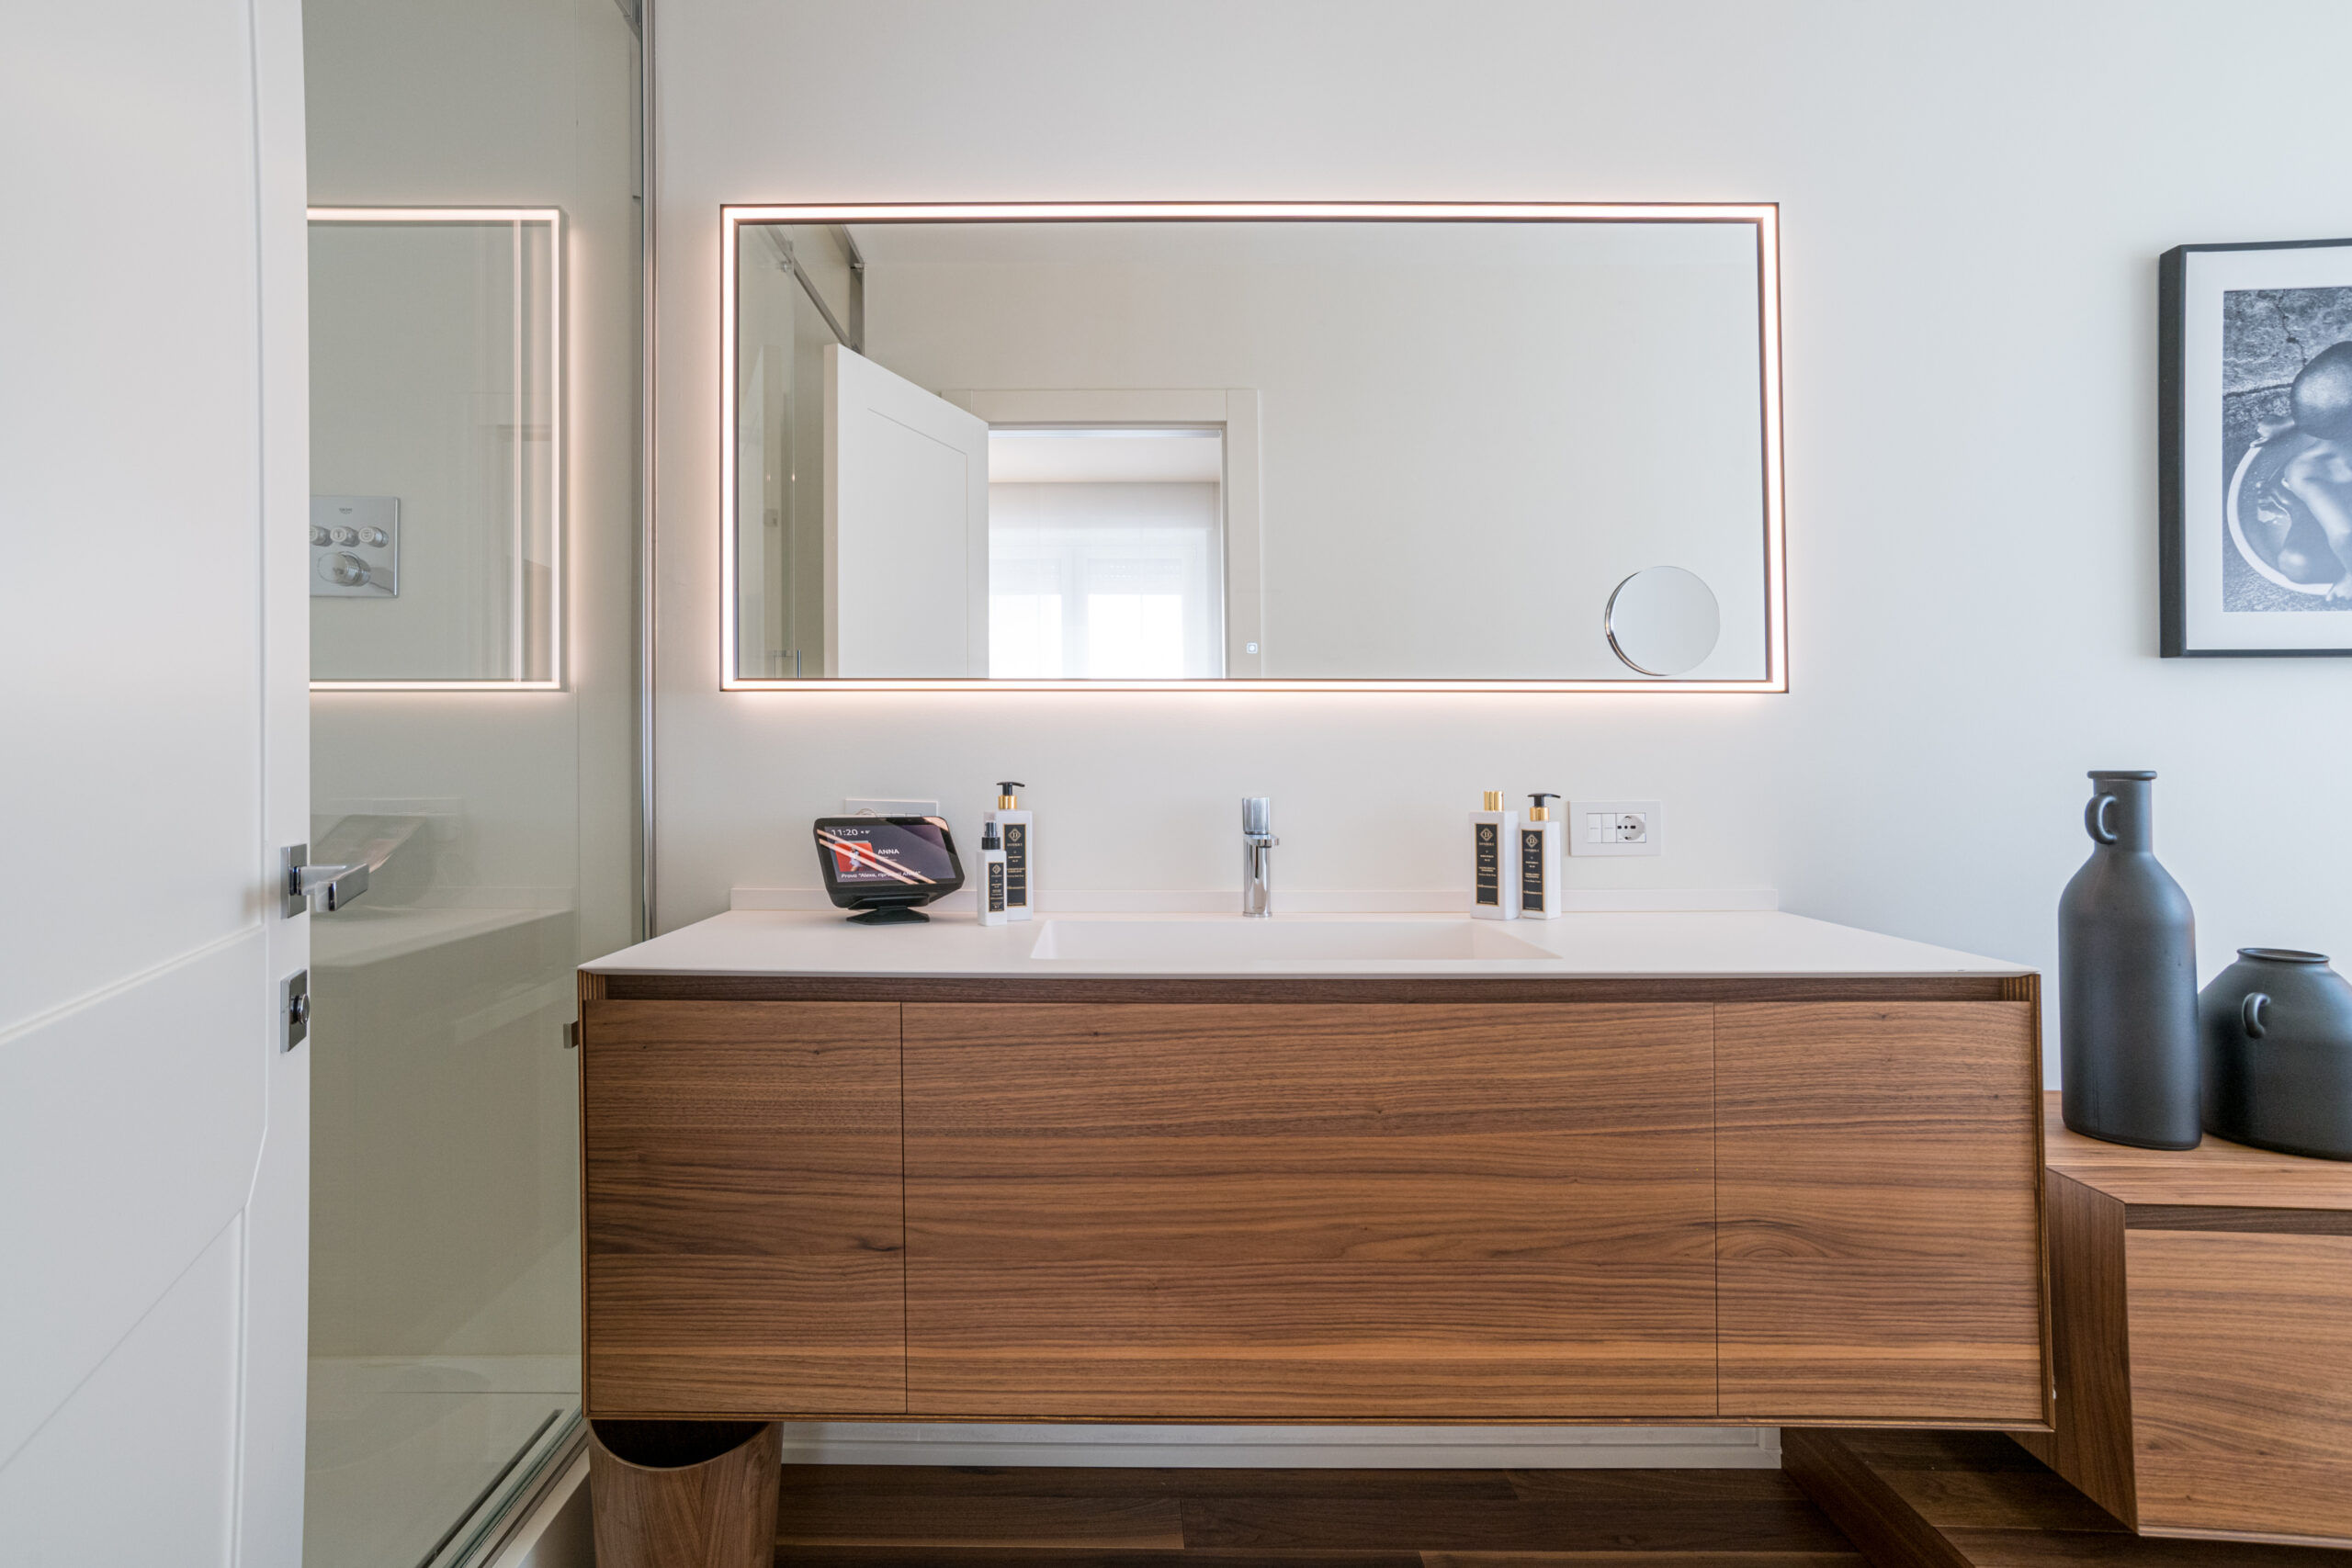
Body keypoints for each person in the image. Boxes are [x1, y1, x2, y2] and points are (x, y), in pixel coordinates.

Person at [2276, 340, 2352, 603]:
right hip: (2336, 518)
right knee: (2296, 563)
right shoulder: (2306, 471)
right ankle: (2299, 511)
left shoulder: (2308, 469)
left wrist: (2291, 422)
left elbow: (2332, 406)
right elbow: (2344, 534)